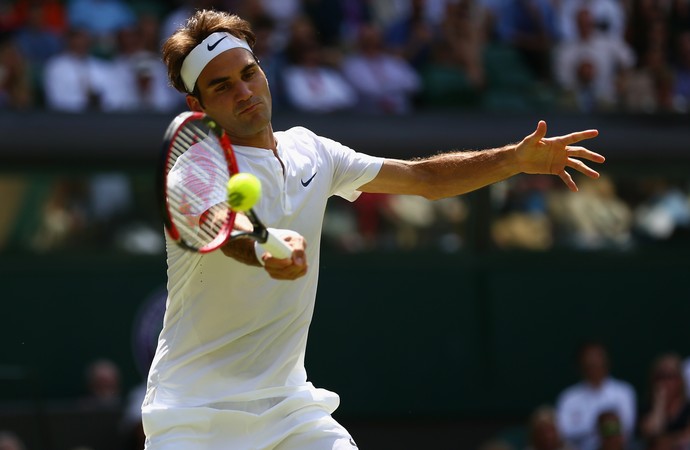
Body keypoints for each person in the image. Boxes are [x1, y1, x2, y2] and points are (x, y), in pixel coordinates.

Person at [143, 9, 604, 449]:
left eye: (248, 73)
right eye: (221, 87)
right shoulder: (193, 169)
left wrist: (514, 160)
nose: (244, 91)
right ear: (196, 105)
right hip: (192, 417)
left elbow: (423, 179)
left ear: (263, 71)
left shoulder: (312, 151)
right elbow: (218, 224)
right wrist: (265, 246)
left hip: (288, 409)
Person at [555, 341, 636, 450]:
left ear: (606, 362)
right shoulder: (568, 397)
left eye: (596, 359)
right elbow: (563, 432)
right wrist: (601, 426)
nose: (593, 364)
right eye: (588, 361)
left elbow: (627, 428)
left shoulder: (623, 391)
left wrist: (587, 428)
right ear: (580, 365)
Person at [639, 352, 690, 449]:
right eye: (660, 376)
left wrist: (666, 442)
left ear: (680, 380)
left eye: (670, 376)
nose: (665, 382)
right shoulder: (647, 407)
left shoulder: (688, 407)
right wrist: (659, 404)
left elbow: (686, 439)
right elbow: (652, 432)